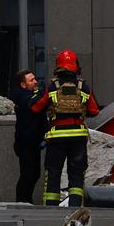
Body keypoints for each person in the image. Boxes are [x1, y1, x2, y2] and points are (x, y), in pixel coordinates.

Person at [31, 50, 100, 207]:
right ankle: (74, 209)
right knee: (76, 175)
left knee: (53, 173)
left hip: (57, 138)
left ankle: (51, 209)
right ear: (76, 66)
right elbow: (94, 110)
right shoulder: (83, 86)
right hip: (78, 138)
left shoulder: (52, 86)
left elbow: (36, 107)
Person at [9, 69, 46, 204]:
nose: (35, 82)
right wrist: (44, 93)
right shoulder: (20, 95)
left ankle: (27, 201)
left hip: (34, 141)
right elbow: (31, 104)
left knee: (34, 173)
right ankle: (22, 201)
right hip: (25, 142)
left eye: (35, 79)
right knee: (28, 174)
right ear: (23, 85)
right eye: (31, 80)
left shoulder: (30, 94)